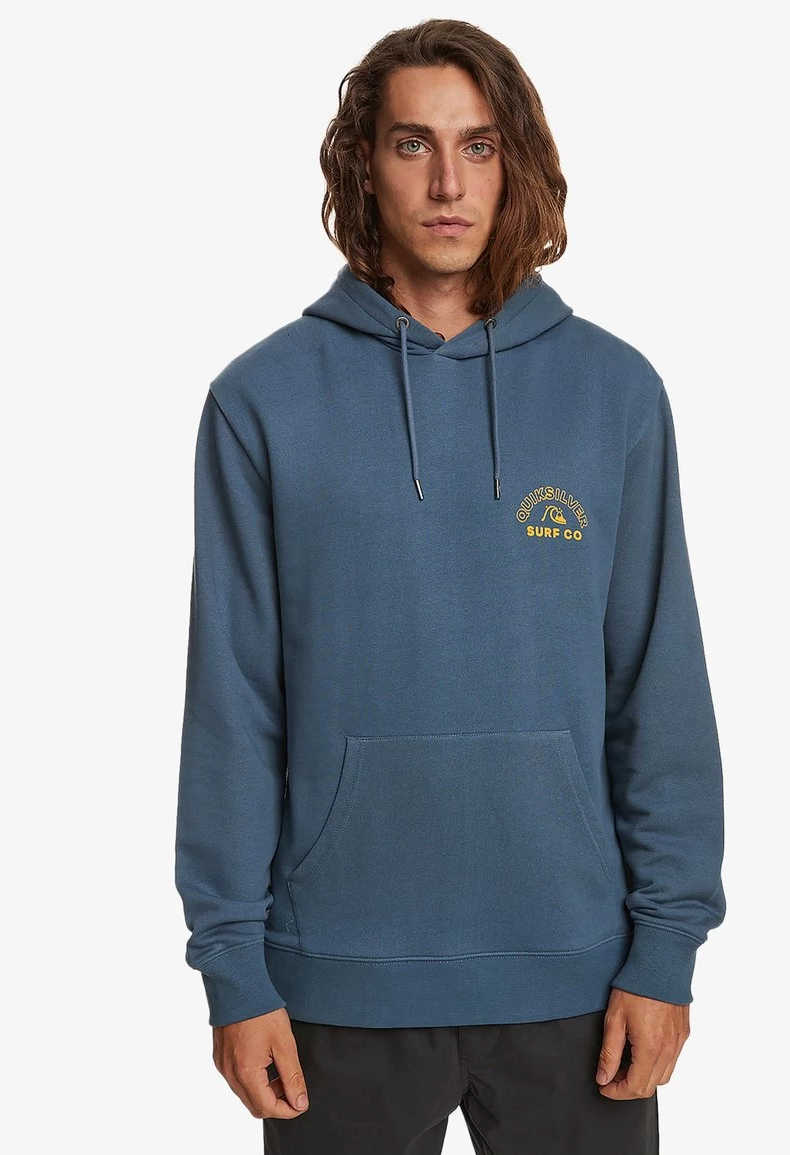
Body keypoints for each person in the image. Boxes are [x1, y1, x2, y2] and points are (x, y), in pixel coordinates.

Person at [174, 18, 726, 1154]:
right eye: (411, 144)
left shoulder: (614, 392)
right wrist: (232, 968)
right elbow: (233, 705)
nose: (446, 184)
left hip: (581, 981)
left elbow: (657, 686)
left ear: (515, 164)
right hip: (335, 985)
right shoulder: (261, 401)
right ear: (362, 165)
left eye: (478, 146)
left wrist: (666, 949)